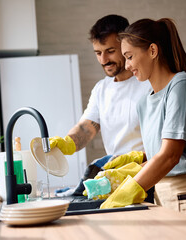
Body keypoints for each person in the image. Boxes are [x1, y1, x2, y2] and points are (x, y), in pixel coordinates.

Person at [99, 18, 186, 226]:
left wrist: (130, 188)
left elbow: (171, 155)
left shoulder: (181, 85)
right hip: (162, 196)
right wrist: (133, 166)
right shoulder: (144, 102)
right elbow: (161, 156)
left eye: (129, 56)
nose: (127, 65)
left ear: (152, 51)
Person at [49, 15, 153, 201]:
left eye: (110, 51)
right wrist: (66, 143)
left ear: (125, 46)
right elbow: (87, 128)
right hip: (114, 179)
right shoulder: (101, 89)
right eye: (98, 53)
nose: (104, 59)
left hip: (146, 177)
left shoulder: (148, 83)